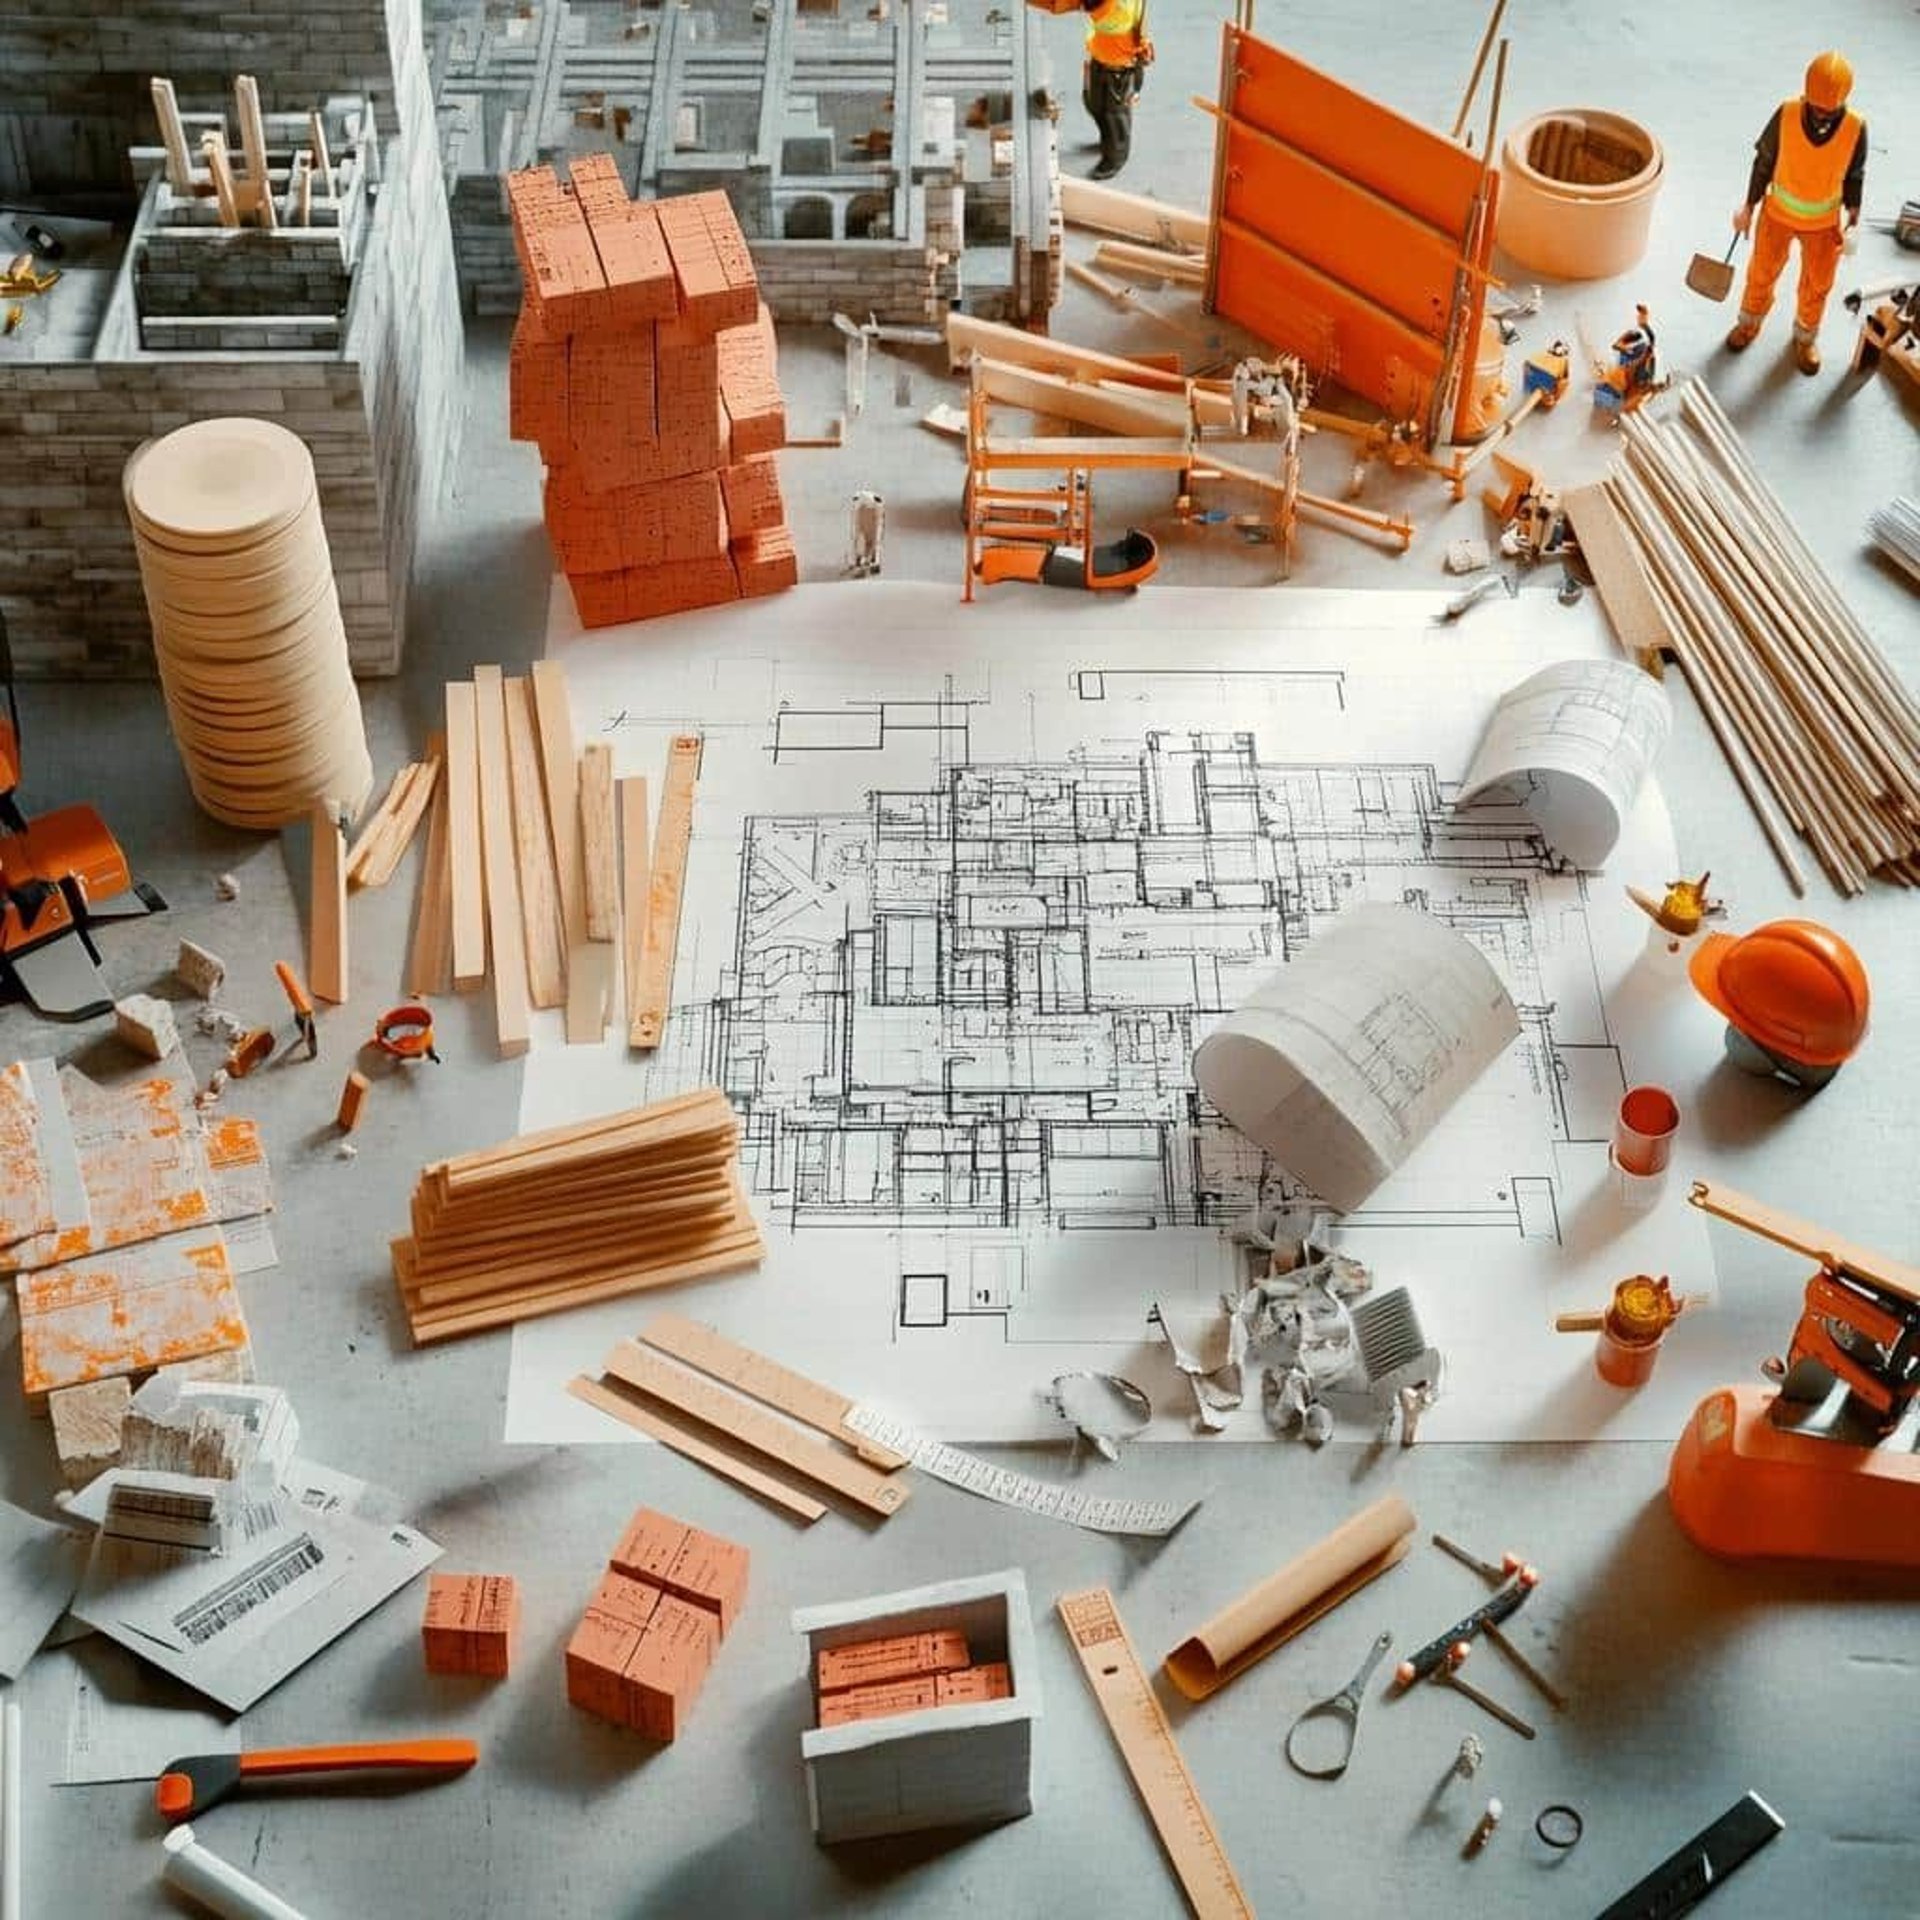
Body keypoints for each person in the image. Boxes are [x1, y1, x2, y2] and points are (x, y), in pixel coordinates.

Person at [1725, 51, 1866, 375]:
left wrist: (1853, 218)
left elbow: (1855, 174)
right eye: (1815, 106)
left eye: (1828, 110)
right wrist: (1749, 205)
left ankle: (1805, 336)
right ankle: (1748, 324)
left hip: (1823, 224)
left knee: (1818, 283)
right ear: (1806, 94)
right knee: (1761, 272)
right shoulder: (1787, 114)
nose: (1820, 115)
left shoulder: (1855, 128)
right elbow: (1763, 162)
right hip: (1777, 214)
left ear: (1843, 100)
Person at [1081, 0, 1151, 182]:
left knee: (1115, 115)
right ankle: (1107, 141)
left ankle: (1116, 157)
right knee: (1095, 104)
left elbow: (1107, 19)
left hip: (1119, 68)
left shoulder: (1121, 8)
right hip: (1100, 57)